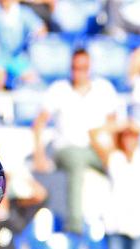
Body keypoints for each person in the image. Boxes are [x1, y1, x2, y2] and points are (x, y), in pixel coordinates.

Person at [32, 47, 121, 234]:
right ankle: (74, 225)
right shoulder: (59, 89)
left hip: (97, 148)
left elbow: (113, 124)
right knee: (76, 163)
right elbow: (39, 123)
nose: (78, 72)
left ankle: (121, 223)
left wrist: (111, 153)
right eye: (75, 67)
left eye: (83, 68)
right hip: (67, 148)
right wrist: (39, 154)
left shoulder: (103, 89)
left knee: (122, 166)